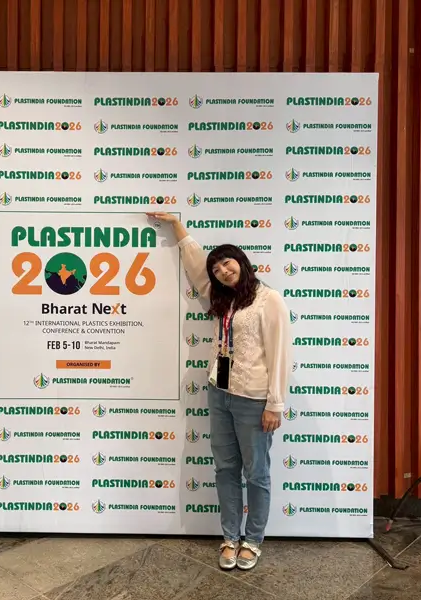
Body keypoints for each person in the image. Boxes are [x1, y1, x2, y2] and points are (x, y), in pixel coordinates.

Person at [148, 211, 291, 571]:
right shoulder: (221, 298)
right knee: (226, 468)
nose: (223, 271)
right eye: (217, 269)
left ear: (241, 261)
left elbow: (280, 354)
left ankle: (253, 540)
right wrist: (176, 226)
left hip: (253, 399)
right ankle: (230, 537)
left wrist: (275, 404)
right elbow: (196, 265)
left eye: (227, 263)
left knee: (256, 473)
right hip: (219, 392)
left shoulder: (268, 299)